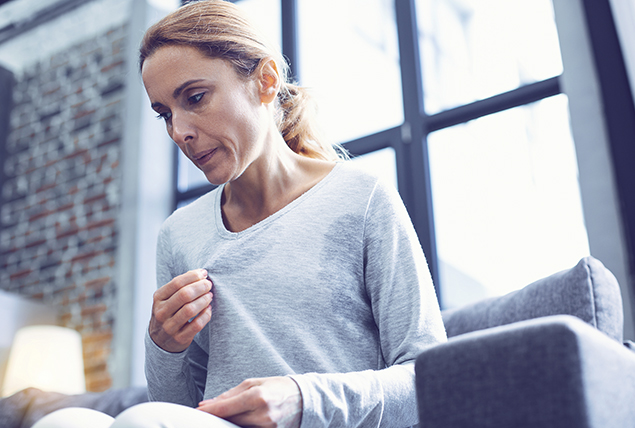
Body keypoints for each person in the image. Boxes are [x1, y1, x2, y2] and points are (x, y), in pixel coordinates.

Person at [32, 1, 446, 427]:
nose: (180, 132)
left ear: (265, 82)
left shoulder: (362, 197)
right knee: (57, 423)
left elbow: (430, 381)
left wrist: (303, 399)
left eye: (195, 98)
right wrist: (163, 346)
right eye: (165, 115)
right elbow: (175, 410)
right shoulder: (179, 235)